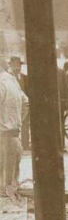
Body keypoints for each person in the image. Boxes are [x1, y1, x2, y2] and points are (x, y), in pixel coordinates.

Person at [0, 58, 27, 198]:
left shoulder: (2, 83)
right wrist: (17, 122)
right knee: (11, 176)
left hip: (3, 134)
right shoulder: (12, 81)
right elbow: (26, 103)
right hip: (14, 133)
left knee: (5, 182)